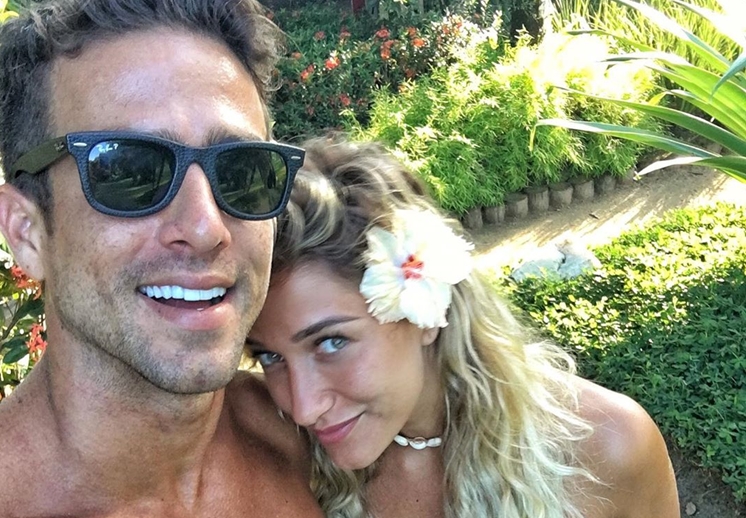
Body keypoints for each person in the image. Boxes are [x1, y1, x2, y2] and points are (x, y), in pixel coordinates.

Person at [0, 1, 323, 516]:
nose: (205, 228)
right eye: (130, 171)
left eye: (241, 170)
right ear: (27, 233)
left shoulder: (316, 441)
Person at [246, 136, 681, 518]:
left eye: (331, 342)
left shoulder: (608, 446)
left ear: (424, 308)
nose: (302, 408)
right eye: (269, 356)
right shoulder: (283, 453)